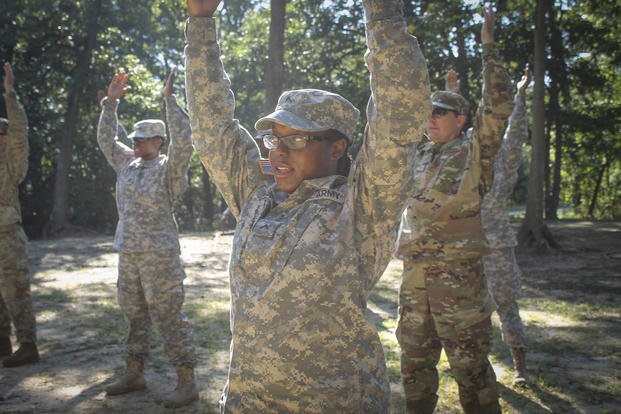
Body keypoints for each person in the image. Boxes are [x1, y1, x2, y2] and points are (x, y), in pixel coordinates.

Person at [184, 0, 430, 411]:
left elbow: (399, 113)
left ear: (337, 147)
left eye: (297, 139)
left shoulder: (362, 206)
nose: (279, 152)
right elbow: (212, 127)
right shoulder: (257, 193)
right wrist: (200, 24)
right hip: (248, 401)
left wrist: (382, 12)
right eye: (274, 138)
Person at [396, 4, 513, 413]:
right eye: (427, 112)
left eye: (440, 113)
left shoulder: (474, 150)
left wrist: (489, 48)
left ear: (462, 119)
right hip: (415, 282)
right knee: (413, 363)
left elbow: (498, 104)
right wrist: (445, 89)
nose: (430, 119)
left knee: (470, 368)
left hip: (458, 284)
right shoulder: (420, 153)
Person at [97, 67, 198, 408]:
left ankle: (186, 381)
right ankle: (134, 372)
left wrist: (169, 101)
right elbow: (105, 140)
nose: (136, 142)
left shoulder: (169, 170)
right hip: (129, 254)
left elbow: (184, 141)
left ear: (159, 141)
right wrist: (110, 103)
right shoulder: (126, 165)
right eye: (135, 138)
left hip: (160, 257)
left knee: (168, 314)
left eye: (143, 139)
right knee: (134, 314)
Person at [480, 64, 532, 384]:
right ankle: (480, 368)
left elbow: (516, 133)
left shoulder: (504, 158)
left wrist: (521, 96)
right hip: (469, 246)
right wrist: (452, 92)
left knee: (506, 307)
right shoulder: (470, 156)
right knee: (474, 312)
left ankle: (521, 367)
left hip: (497, 247)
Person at [0, 62, 39, 368]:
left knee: (16, 291)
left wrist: (10, 94)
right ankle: (3, 344)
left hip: (7, 236)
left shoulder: (12, 163)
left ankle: (28, 346)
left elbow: (20, 130)